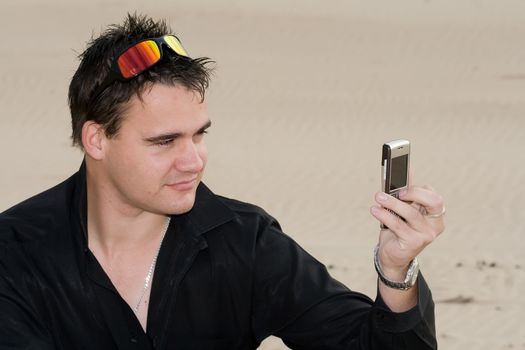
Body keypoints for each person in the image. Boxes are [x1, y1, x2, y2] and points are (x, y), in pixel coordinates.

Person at [0, 13, 445, 350]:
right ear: (96, 139)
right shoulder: (15, 252)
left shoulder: (244, 240)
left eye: (199, 134)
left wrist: (396, 273)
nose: (193, 161)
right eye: (165, 141)